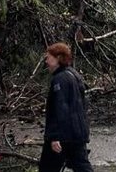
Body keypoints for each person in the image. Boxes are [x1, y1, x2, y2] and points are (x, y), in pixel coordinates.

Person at [39, 42, 93, 172]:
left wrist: (54, 137)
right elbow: (82, 106)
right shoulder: (74, 74)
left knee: (47, 168)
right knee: (83, 168)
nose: (46, 61)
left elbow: (60, 108)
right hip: (78, 134)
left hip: (63, 136)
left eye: (48, 57)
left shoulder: (59, 79)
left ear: (58, 58)